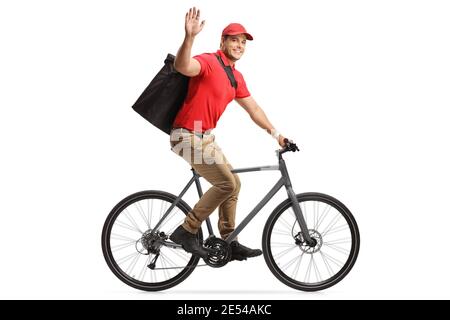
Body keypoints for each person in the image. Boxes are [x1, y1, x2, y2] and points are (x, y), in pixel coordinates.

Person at [169, 7, 291, 261]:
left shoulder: (236, 77)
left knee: (233, 183)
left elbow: (254, 109)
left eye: (243, 42)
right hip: (185, 136)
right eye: (234, 39)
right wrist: (189, 38)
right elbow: (182, 66)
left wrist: (277, 135)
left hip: (205, 137)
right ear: (222, 41)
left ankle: (228, 240)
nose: (239, 45)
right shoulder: (209, 62)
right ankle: (186, 230)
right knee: (225, 182)